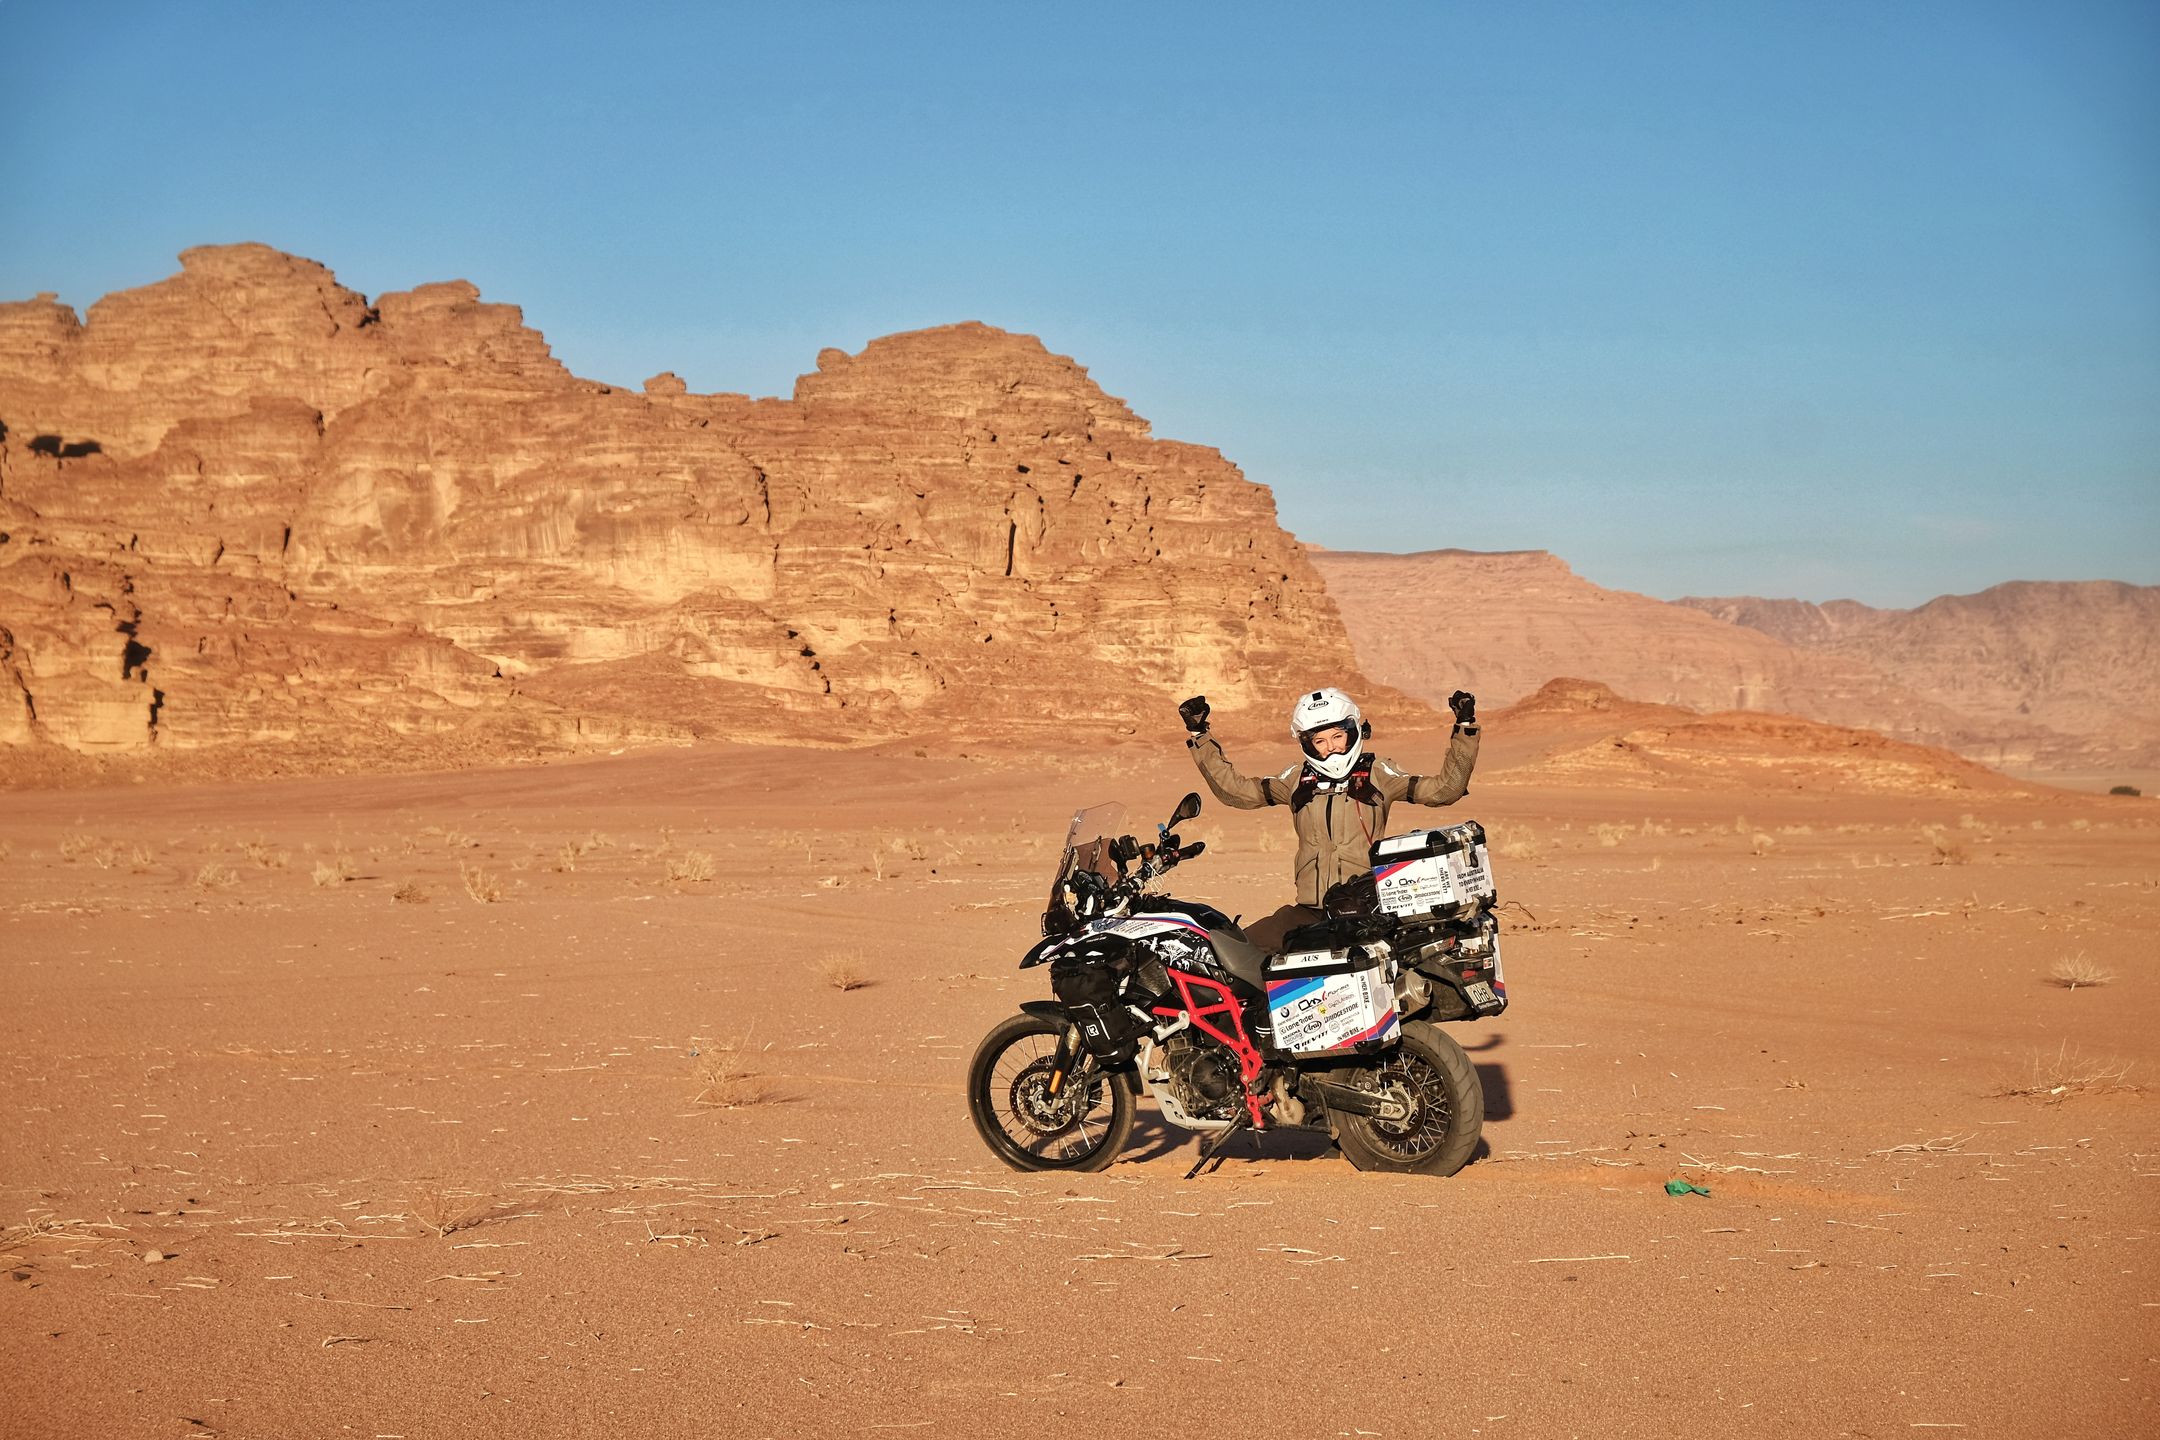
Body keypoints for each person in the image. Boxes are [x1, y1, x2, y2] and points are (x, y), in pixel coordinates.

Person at [1178, 686, 1479, 953]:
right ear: (1307, 744)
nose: (1331, 747)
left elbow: (1444, 790)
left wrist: (1464, 728)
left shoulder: (1378, 773)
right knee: (1236, 953)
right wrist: (1200, 736)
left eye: (1338, 736)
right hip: (1310, 910)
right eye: (1320, 741)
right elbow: (1238, 793)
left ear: (1353, 731)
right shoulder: (1297, 779)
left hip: (1364, 909)